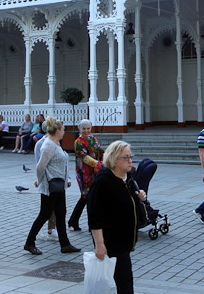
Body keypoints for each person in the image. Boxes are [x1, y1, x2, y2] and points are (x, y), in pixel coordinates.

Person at [87, 140, 147, 294]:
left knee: (123, 284)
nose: (130, 161)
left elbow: (128, 201)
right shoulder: (102, 183)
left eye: (130, 157)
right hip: (112, 244)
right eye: (125, 158)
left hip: (124, 243)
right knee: (125, 286)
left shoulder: (127, 179)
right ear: (114, 160)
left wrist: (140, 197)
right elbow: (94, 217)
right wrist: (99, 245)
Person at [23, 116, 79, 255]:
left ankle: (65, 244)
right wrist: (40, 180)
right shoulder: (48, 145)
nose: (64, 132)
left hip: (59, 185)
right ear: (57, 130)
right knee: (44, 214)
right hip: (50, 186)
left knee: (61, 213)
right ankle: (29, 243)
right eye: (63, 130)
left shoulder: (56, 143)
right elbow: (40, 167)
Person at [69, 119, 103, 231]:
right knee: (88, 198)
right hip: (84, 174)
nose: (86, 131)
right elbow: (85, 158)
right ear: (80, 129)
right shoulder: (78, 142)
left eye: (88, 128)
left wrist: (107, 159)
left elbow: (99, 150)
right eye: (84, 129)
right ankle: (91, 226)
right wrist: (99, 164)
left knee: (86, 198)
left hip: (95, 172)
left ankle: (73, 221)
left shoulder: (93, 138)